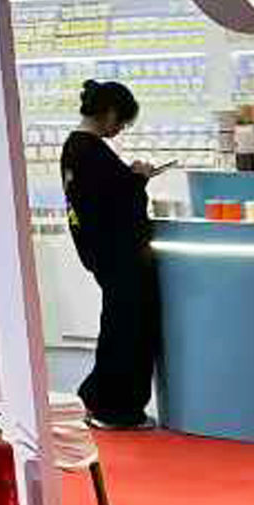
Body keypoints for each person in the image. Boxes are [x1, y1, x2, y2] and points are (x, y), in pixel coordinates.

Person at [62, 78, 161, 431]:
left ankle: (98, 397)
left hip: (102, 253)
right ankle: (117, 407)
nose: (119, 129)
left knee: (118, 326)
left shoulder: (76, 148)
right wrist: (139, 178)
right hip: (120, 256)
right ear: (110, 113)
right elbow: (118, 203)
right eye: (122, 121)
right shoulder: (91, 151)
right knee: (129, 330)